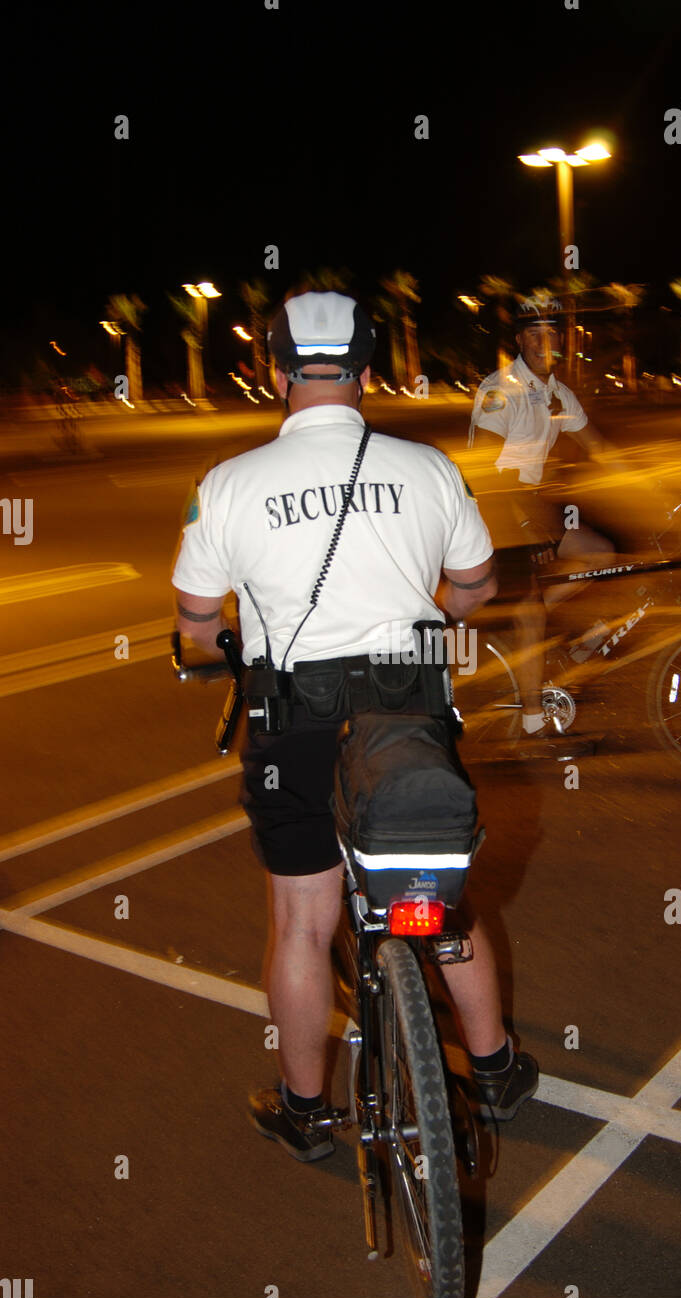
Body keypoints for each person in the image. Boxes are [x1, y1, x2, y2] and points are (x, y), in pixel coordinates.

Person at [171, 291, 538, 1161]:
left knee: (302, 918)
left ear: (277, 373)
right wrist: (440, 611)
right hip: (407, 707)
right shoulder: (427, 468)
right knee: (433, 896)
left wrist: (210, 646)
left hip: (291, 720)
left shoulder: (227, 485)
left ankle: (307, 1112)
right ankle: (494, 1072)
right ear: (369, 372)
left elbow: (193, 618)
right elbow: (476, 586)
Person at [468, 296, 617, 746]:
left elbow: (599, 447)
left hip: (532, 501)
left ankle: (537, 624)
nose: (543, 341)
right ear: (519, 340)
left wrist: (663, 489)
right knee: (531, 612)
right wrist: (526, 524)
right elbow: (480, 464)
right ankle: (534, 716)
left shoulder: (557, 392)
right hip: (495, 506)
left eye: (550, 333)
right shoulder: (501, 389)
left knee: (600, 555)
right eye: (533, 334)